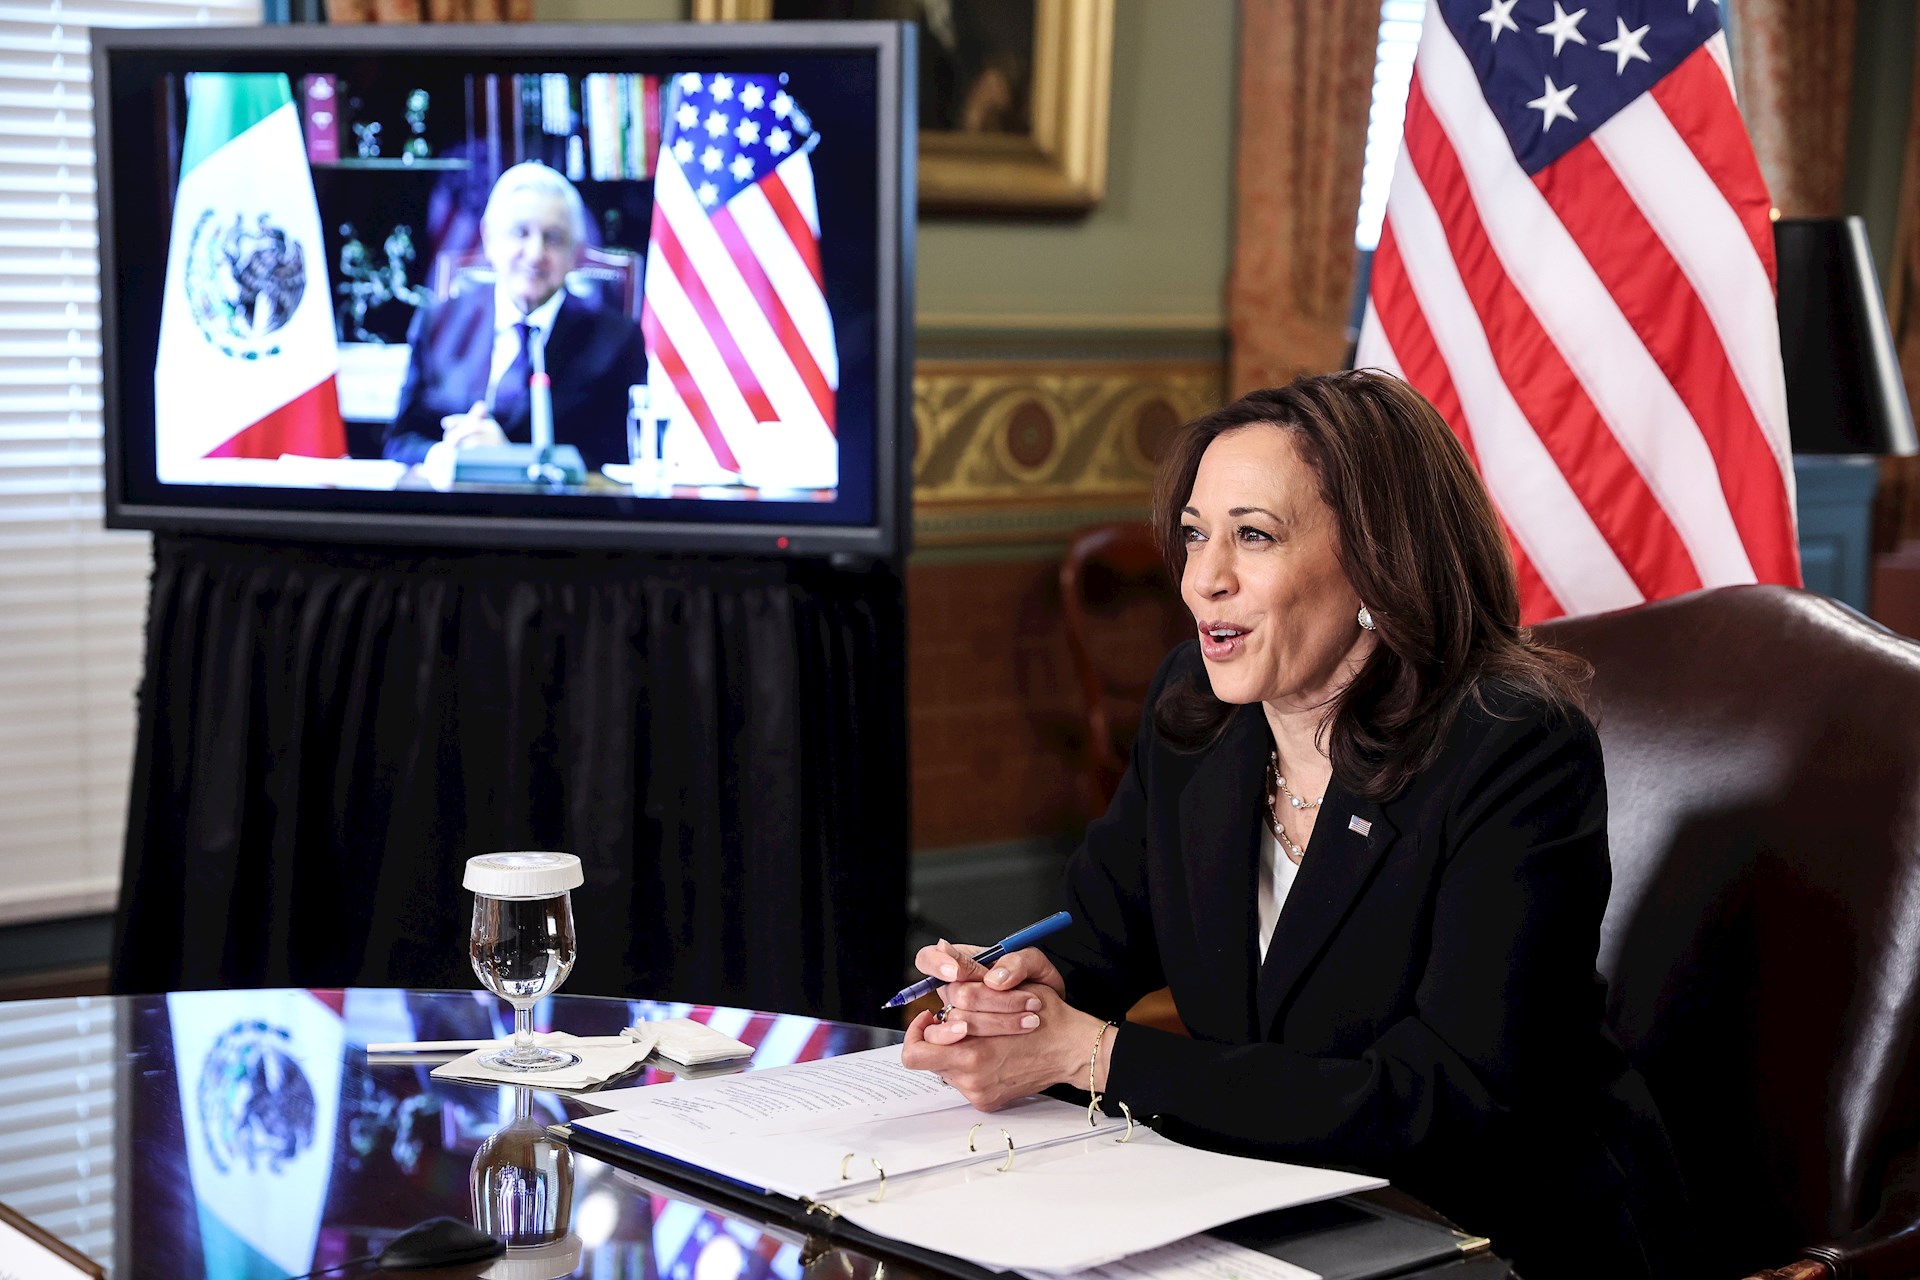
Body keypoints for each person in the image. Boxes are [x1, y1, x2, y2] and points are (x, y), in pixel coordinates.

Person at [900, 371, 1693, 1279]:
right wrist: (1011, 989)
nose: (1204, 582)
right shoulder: (1197, 709)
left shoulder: (1512, 749)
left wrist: (1094, 1055)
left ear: (1378, 560)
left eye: (1254, 537)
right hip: (1277, 1210)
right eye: (1196, 536)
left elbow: (1450, 1099)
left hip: (1496, 1236)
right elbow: (1106, 928)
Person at [383, 162, 643, 472]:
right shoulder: (440, 322)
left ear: (575, 253)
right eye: (521, 232)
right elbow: (399, 441)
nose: (535, 253)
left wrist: (509, 460)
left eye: (554, 238)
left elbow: (616, 461)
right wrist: (444, 457)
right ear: (489, 238)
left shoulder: (614, 340)